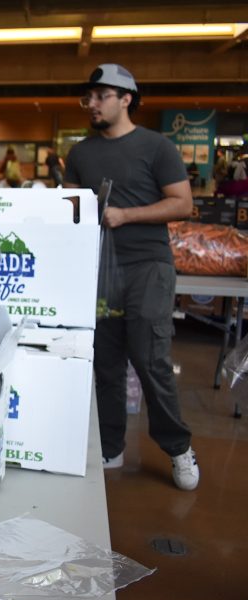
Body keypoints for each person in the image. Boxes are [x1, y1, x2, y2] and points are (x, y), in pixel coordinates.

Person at [64, 62, 198, 491]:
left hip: (147, 266)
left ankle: (178, 448)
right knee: (105, 361)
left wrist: (126, 214)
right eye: (90, 96)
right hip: (98, 268)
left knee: (150, 357)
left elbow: (182, 204)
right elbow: (71, 205)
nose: (93, 103)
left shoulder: (157, 147)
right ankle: (110, 445)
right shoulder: (81, 152)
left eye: (103, 95)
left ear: (126, 99)